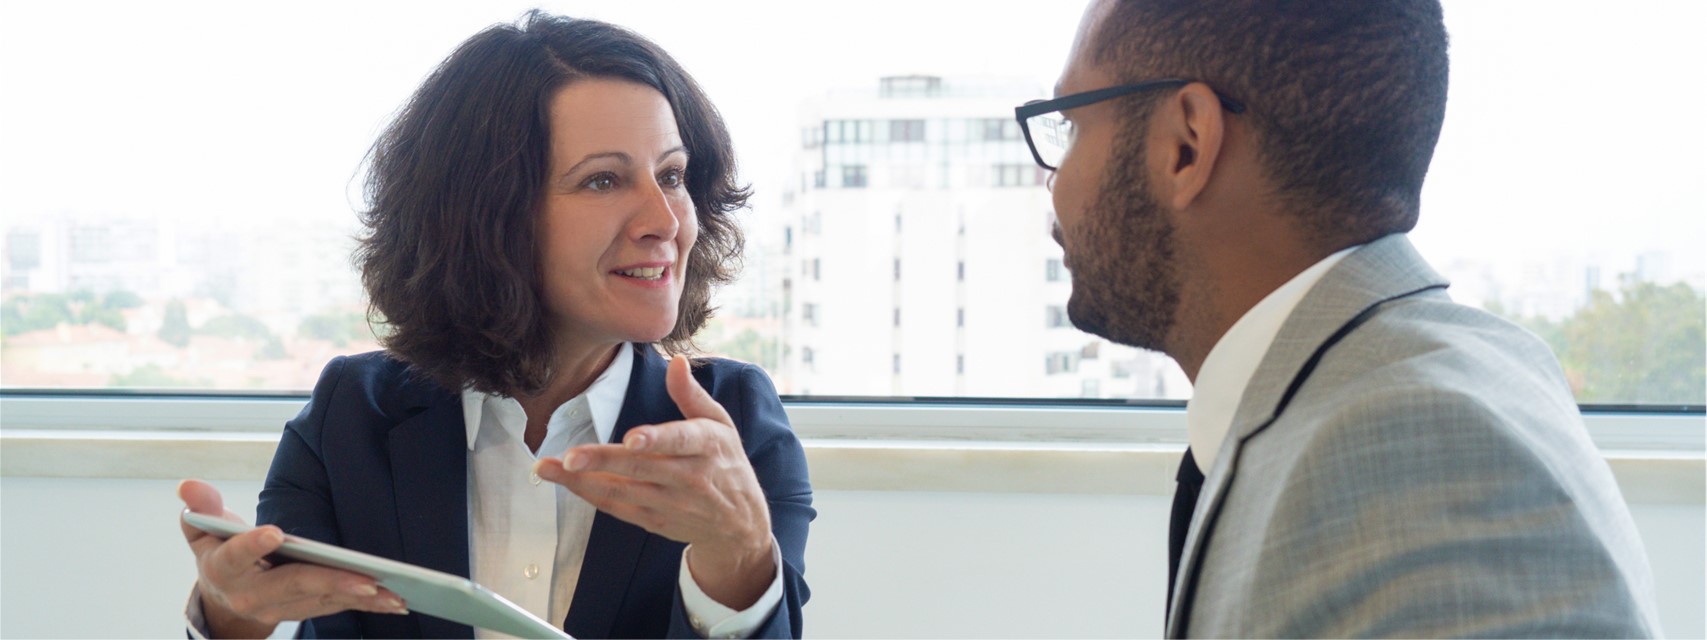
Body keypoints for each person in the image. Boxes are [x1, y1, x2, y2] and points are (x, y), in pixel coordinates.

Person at [1016, 0, 1661, 636]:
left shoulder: (1419, 453)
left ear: (1186, 144)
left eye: (1070, 125)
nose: (1052, 183)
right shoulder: (1384, 392)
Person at [176, 12, 812, 639]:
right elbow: (275, 595)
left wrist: (740, 550)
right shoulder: (354, 416)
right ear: (486, 214)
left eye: (672, 175)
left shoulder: (735, 426)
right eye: (604, 180)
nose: (665, 220)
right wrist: (232, 616)